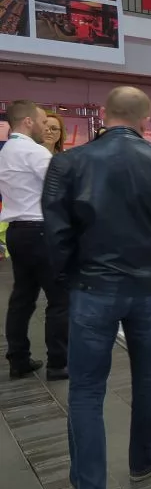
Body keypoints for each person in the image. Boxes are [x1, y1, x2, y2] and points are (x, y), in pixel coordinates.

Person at [42, 86, 151, 489]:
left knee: (87, 389)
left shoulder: (68, 162)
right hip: (146, 291)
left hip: (91, 290)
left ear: (104, 115)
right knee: (148, 376)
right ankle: (145, 458)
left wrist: (68, 278)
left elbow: (56, 231)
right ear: (146, 119)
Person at [0, 100, 69, 381]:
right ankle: (58, 363)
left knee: (22, 298)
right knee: (60, 299)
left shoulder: (7, 151)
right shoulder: (34, 151)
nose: (45, 128)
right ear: (28, 121)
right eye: (42, 122)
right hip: (42, 232)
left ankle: (18, 359)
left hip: (17, 232)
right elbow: (62, 188)